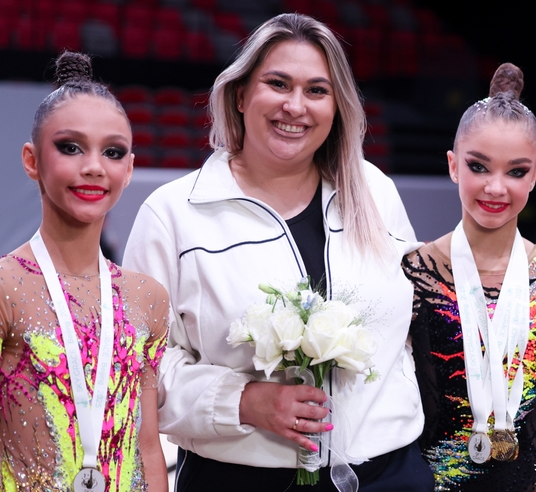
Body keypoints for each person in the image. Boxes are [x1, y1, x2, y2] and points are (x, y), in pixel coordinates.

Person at [122, 13, 434, 491]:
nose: (296, 106)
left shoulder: (374, 192)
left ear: (337, 108)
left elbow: (419, 314)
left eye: (316, 90)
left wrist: (515, 341)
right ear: (241, 94)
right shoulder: (173, 215)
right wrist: (243, 401)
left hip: (389, 475)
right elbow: (140, 369)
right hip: (238, 480)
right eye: (278, 83)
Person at [0, 52, 169, 491]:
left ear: (130, 168)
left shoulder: (148, 298)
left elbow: (149, 446)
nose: (94, 166)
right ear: (32, 160)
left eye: (112, 152)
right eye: (70, 147)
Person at [403, 63, 536, 492]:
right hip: (432, 481)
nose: (495, 187)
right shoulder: (414, 270)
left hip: (532, 480)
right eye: (479, 167)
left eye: (516, 171)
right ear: (453, 166)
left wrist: (533, 376)